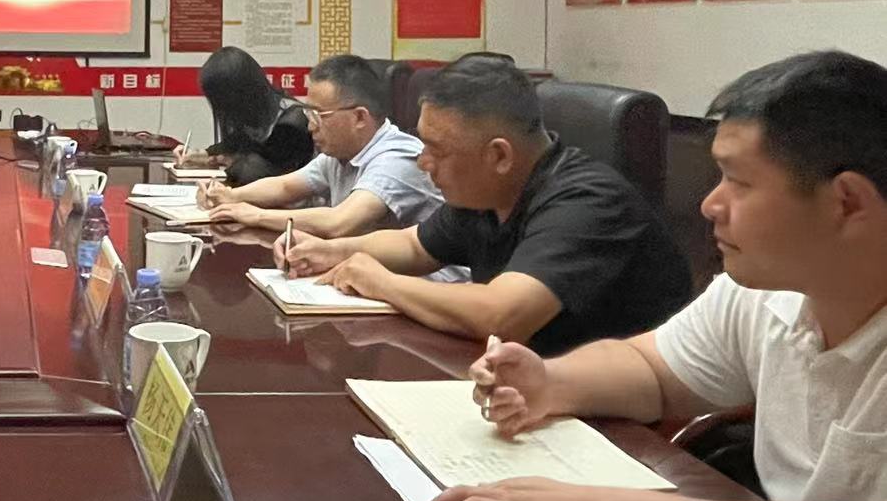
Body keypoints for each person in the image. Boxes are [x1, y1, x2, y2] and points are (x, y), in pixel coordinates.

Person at [425, 50, 887, 501]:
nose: (709, 204)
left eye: (739, 181)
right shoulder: (769, 290)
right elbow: (651, 368)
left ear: (846, 203)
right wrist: (551, 382)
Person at [276, 54, 689, 353]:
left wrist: (380, 281)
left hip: (622, 425)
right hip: (527, 383)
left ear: (499, 155)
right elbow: (416, 246)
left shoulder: (587, 201)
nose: (423, 162)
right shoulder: (487, 191)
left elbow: (501, 315)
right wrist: (329, 251)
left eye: (437, 150)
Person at [201, 54, 446, 238]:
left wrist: (255, 215)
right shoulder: (341, 152)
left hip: (425, 285)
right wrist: (231, 196)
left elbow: (339, 222)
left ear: (359, 117)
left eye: (319, 115)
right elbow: (286, 186)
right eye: (309, 115)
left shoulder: (396, 158)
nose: (310, 127)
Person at [189, 46, 313, 185]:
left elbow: (262, 173)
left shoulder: (292, 123)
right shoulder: (257, 115)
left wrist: (232, 161)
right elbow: (236, 143)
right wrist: (204, 153)